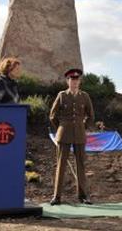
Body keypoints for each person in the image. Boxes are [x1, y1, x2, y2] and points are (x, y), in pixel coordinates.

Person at [49, 68, 95, 205]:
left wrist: (83, 127)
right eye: (72, 80)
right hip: (64, 134)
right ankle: (56, 197)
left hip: (80, 134)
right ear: (67, 81)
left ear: (80, 81)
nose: (74, 82)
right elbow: (53, 115)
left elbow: (91, 115)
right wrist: (61, 127)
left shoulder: (85, 96)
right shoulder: (62, 95)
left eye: (77, 80)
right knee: (61, 165)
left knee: (81, 165)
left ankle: (83, 196)